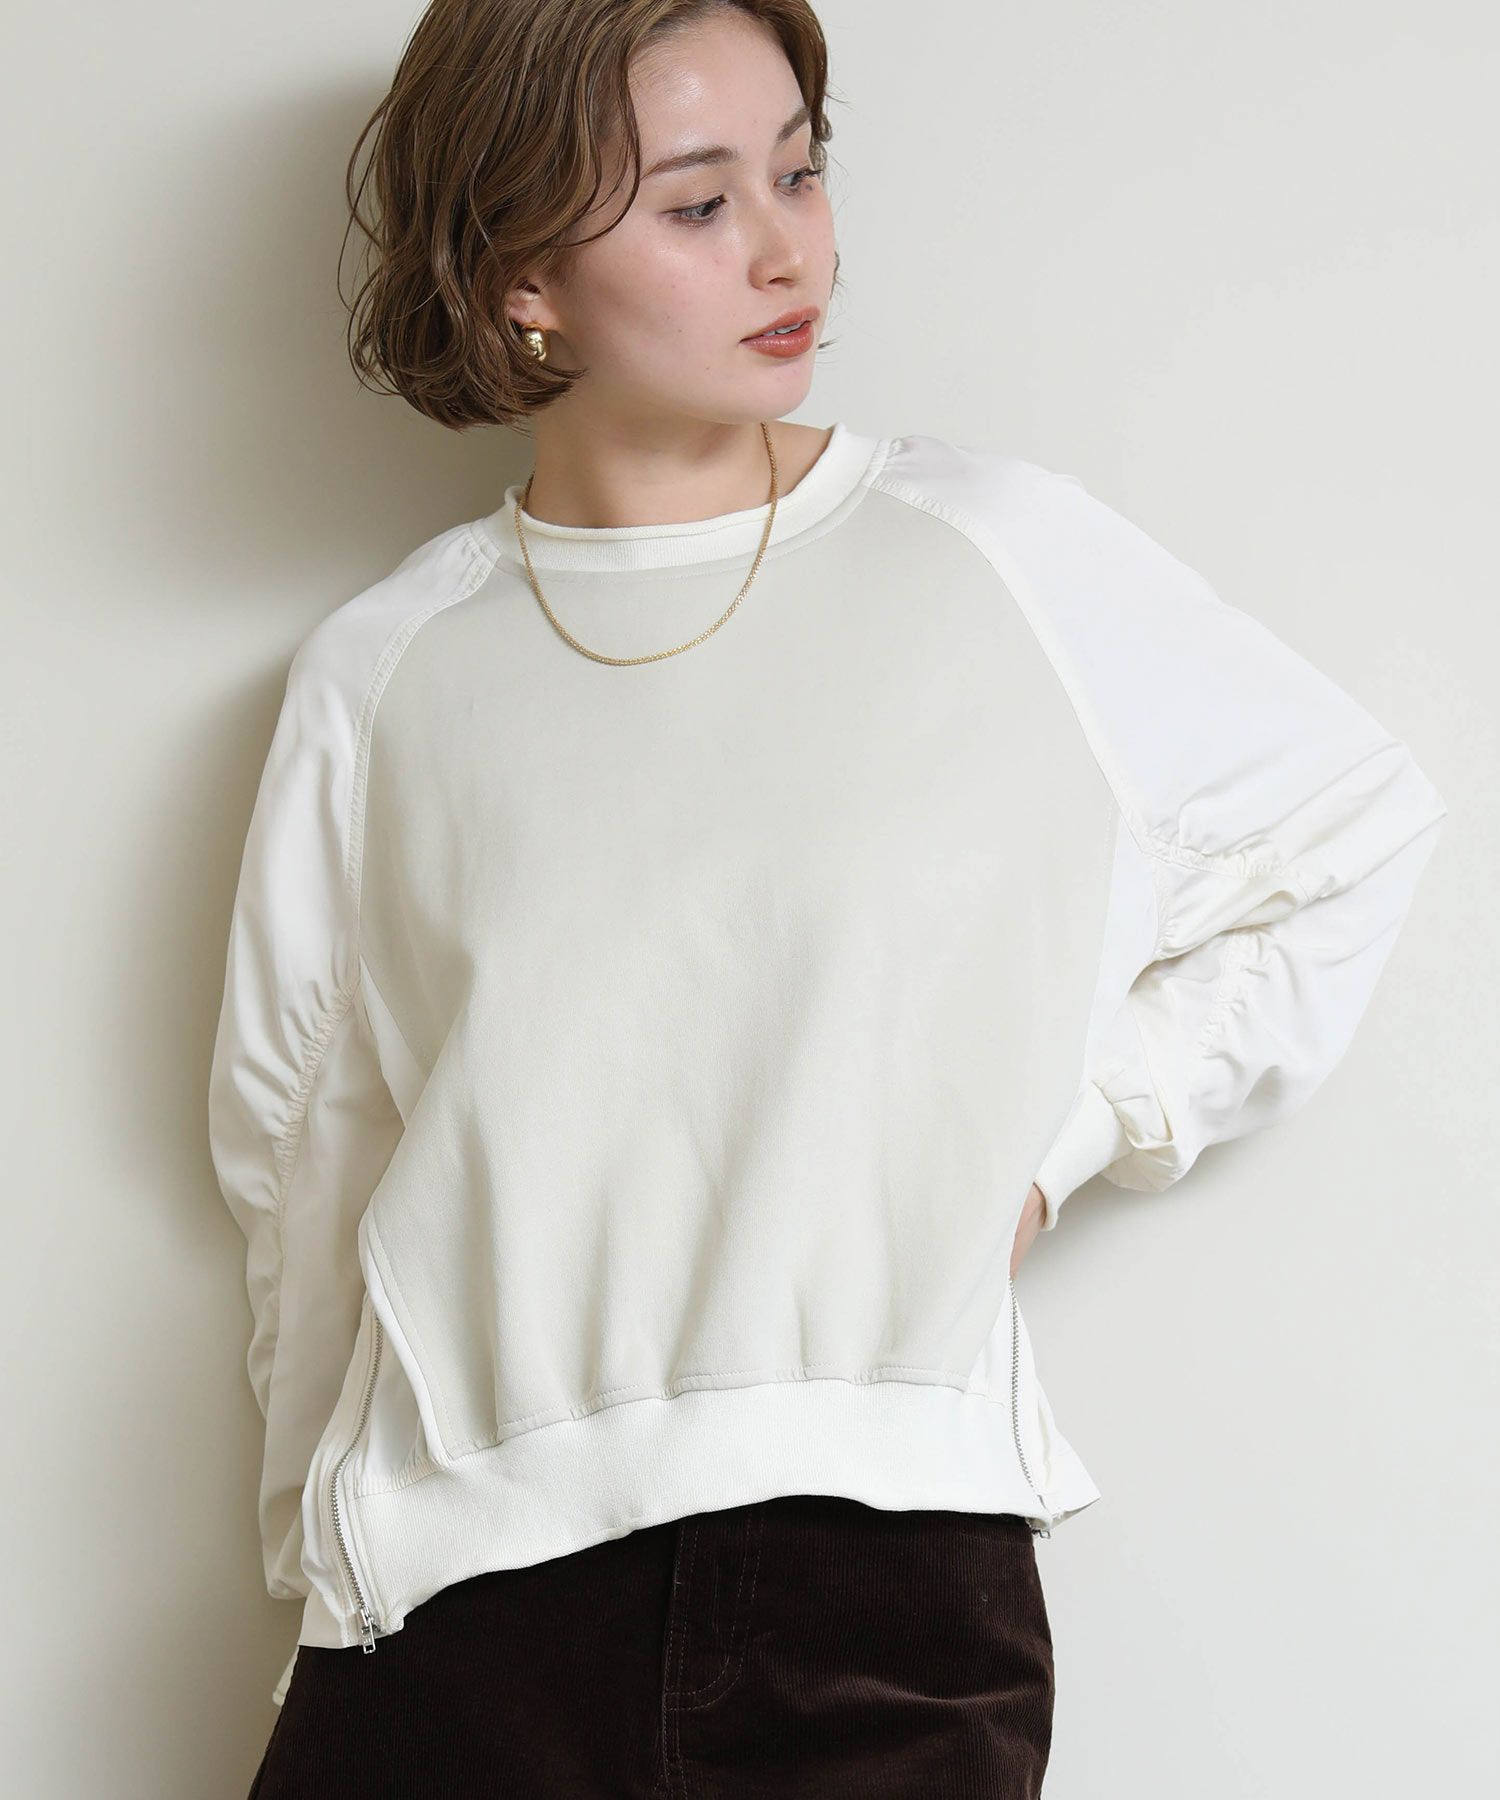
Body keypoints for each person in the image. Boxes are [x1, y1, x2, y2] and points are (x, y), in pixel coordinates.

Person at [210, 2, 1448, 1795]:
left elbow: (1351, 826)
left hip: (885, 1594)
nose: (789, 249)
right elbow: (308, 1172)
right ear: (520, 277)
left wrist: (1072, 1136)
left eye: (800, 171)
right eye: (698, 204)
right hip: (459, 1616)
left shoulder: (994, 557)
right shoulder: (388, 670)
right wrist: (322, 1591)